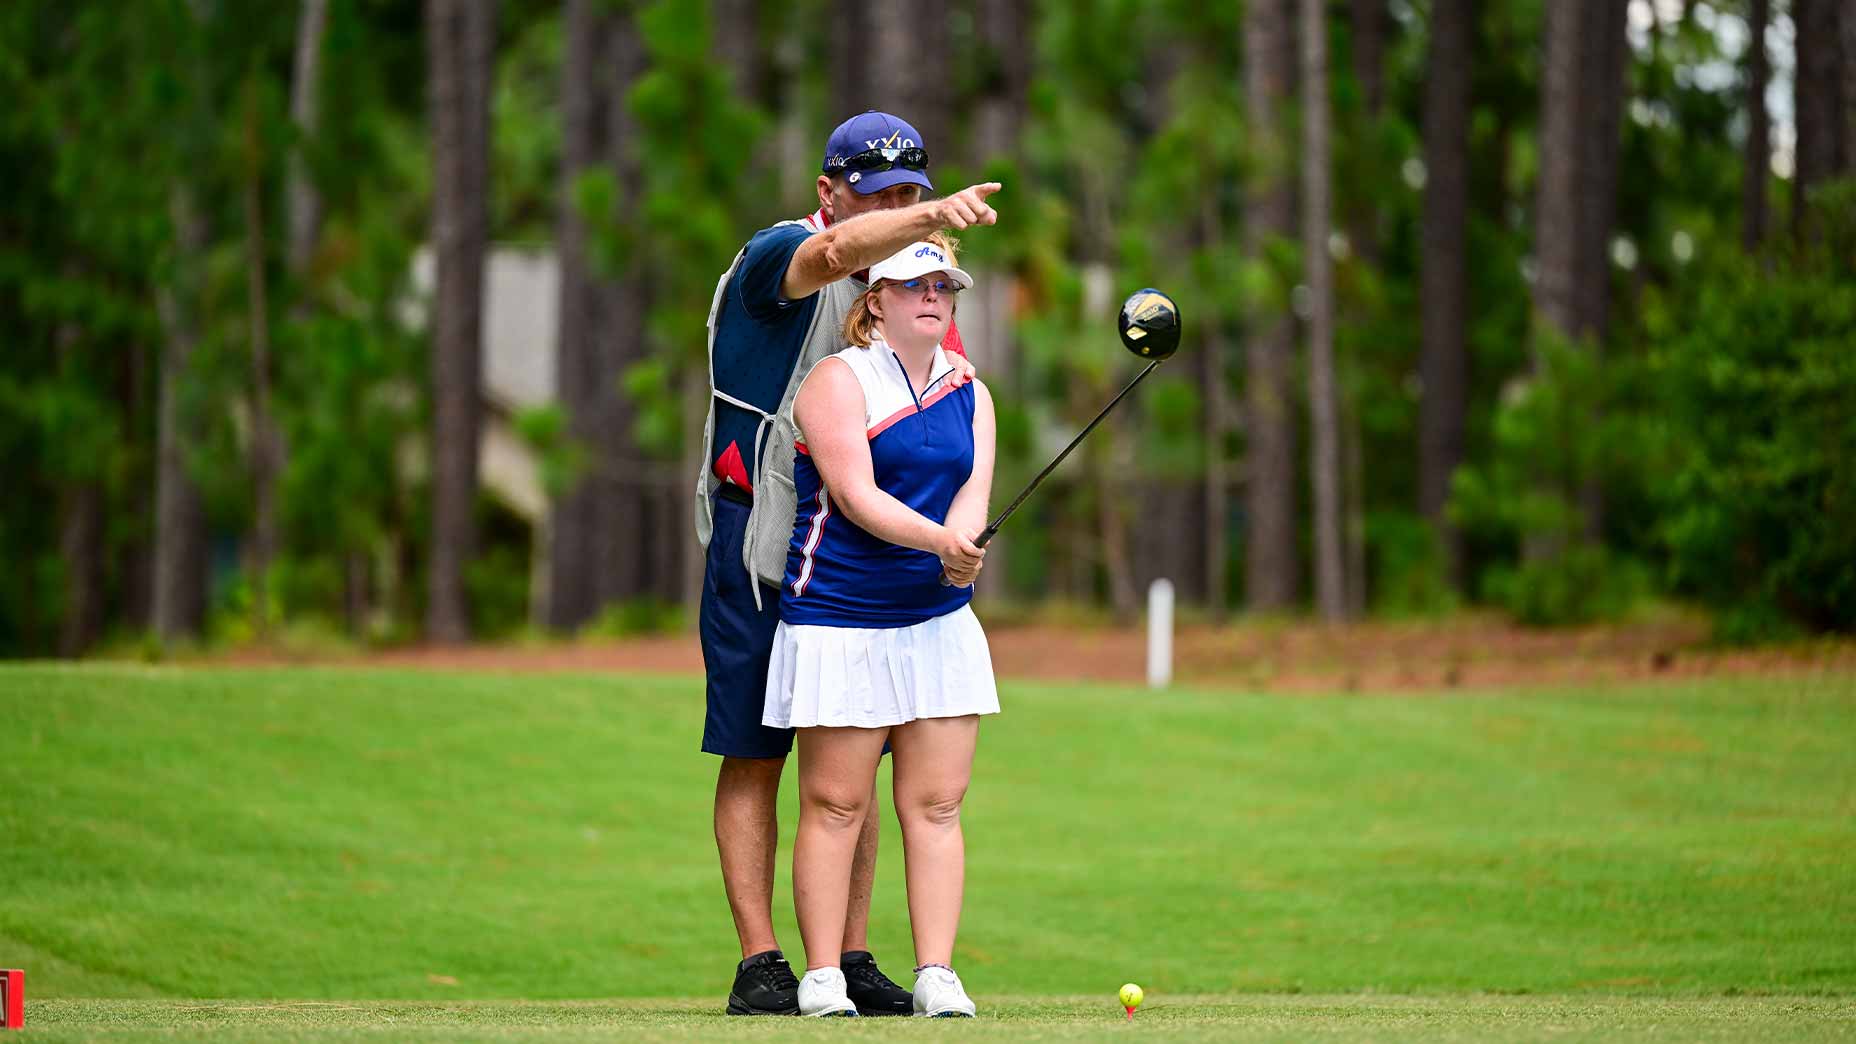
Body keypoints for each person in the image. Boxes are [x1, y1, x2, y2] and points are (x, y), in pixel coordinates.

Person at [695, 109, 1001, 1016]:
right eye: (880, 199)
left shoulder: (908, 298)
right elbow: (834, 259)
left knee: (856, 752)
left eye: (911, 195)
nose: (901, 214)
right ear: (829, 194)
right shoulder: (783, 253)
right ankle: (762, 961)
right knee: (756, 751)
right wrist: (926, 220)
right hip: (760, 540)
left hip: (855, 556)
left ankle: (852, 954)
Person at [763, 235, 998, 1018]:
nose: (933, 296)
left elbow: (971, 492)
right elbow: (857, 496)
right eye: (914, 285)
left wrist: (962, 550)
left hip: (935, 620)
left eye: (944, 286)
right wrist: (941, 544)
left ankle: (937, 972)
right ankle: (823, 975)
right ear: (877, 301)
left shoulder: (973, 391)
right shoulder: (837, 382)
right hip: (839, 616)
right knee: (835, 804)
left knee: (936, 805)